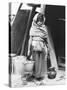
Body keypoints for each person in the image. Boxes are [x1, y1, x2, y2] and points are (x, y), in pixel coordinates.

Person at [27, 13, 49, 81]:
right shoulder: (33, 28)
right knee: (35, 61)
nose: (40, 22)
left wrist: (47, 49)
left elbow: (46, 40)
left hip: (42, 47)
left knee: (41, 62)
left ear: (43, 21)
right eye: (38, 20)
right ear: (35, 20)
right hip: (34, 47)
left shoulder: (44, 28)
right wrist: (28, 50)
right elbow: (30, 39)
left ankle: (39, 76)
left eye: (41, 21)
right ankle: (35, 75)